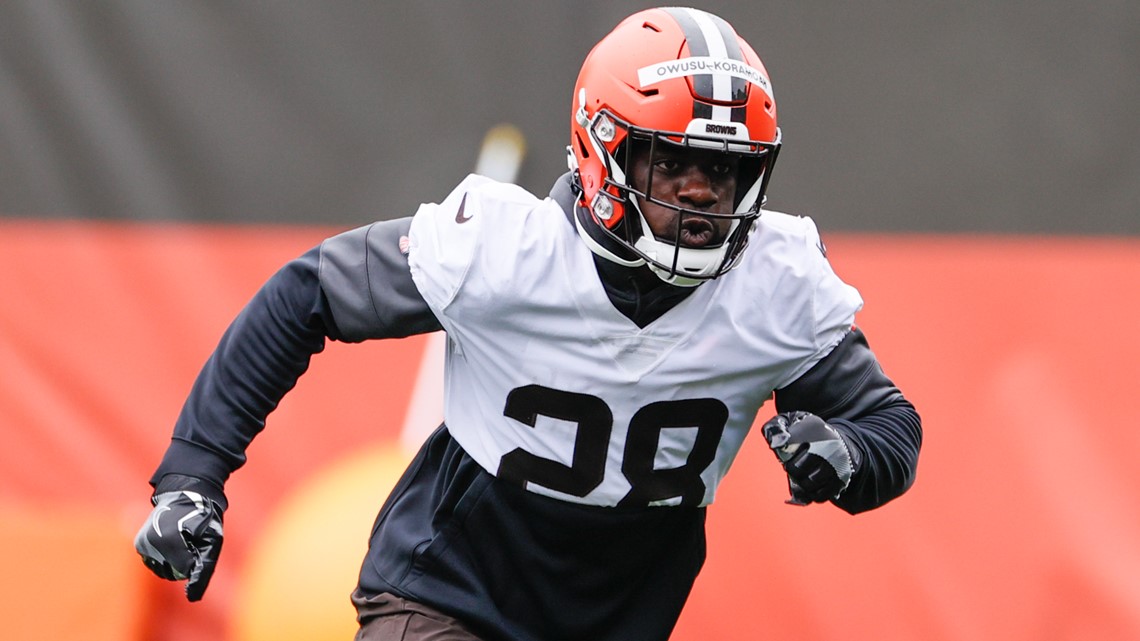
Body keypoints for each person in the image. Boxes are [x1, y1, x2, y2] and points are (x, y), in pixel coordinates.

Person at [135, 7, 922, 641]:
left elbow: (889, 424)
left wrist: (848, 457)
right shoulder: (509, 249)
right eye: (670, 161)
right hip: (449, 593)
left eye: (724, 167)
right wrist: (191, 478)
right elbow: (305, 294)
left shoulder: (772, 283)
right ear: (602, 151)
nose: (703, 191)